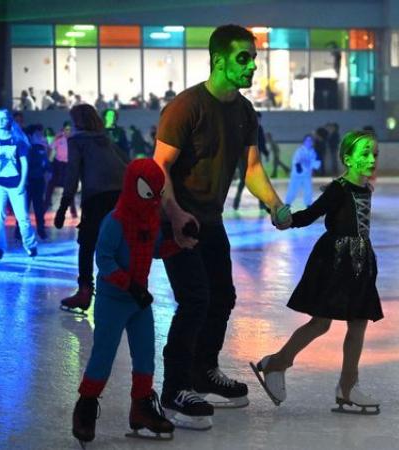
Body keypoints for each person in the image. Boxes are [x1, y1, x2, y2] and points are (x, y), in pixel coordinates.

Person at [153, 24, 292, 428]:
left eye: (254, 57)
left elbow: (250, 168)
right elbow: (158, 167)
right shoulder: (186, 107)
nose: (252, 66)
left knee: (223, 296)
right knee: (195, 299)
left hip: (210, 221)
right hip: (176, 220)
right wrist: (176, 214)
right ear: (218, 60)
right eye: (243, 58)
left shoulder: (244, 110)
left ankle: (203, 371)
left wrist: (276, 207)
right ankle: (174, 389)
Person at [250, 130, 382, 415]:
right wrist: (287, 221)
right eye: (365, 154)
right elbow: (312, 213)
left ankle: (347, 386)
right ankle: (278, 362)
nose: (372, 159)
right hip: (335, 262)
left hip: (360, 262)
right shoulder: (338, 189)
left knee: (358, 323)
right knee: (321, 323)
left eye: (375, 154)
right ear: (348, 159)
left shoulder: (365, 188)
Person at [69, 159, 178, 447]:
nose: (153, 201)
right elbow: (103, 259)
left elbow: (154, 250)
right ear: (133, 188)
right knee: (103, 355)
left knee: (145, 354)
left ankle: (141, 407)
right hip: (114, 300)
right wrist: (129, 285)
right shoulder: (115, 222)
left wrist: (180, 242)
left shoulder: (151, 219)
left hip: (138, 301)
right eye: (148, 194)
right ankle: (86, 407)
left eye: (157, 194)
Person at [56, 104, 129, 313]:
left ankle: (85, 291)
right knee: (116, 242)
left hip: (96, 197)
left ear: (77, 121)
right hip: (120, 196)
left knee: (87, 244)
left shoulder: (77, 141)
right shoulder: (105, 139)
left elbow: (72, 176)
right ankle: (120, 288)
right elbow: (127, 163)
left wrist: (63, 207)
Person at [0, 109, 37, 259]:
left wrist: (21, 184)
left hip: (15, 183)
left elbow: (24, 164)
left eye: (3, 118)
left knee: (22, 217)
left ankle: (30, 245)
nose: (0, 121)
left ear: (9, 121)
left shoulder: (18, 140)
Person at [232, 111, 269, 210]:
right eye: (257, 119)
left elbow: (262, 143)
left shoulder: (260, 129)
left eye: (260, 120)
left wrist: (266, 153)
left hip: (255, 158)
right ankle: (236, 201)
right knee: (244, 180)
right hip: (244, 159)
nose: (259, 122)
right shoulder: (245, 129)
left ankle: (261, 204)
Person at [45, 121, 78, 218]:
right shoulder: (59, 139)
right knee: (50, 186)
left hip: (68, 165)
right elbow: (51, 147)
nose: (68, 131)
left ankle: (73, 210)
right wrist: (56, 137)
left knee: (69, 188)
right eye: (66, 129)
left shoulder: (74, 140)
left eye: (69, 130)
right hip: (58, 165)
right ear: (63, 130)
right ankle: (45, 206)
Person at [285, 134, 321, 207]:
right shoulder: (299, 150)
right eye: (307, 140)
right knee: (293, 189)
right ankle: (288, 203)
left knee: (308, 190)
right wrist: (299, 167)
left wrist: (311, 165)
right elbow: (295, 160)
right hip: (297, 175)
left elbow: (316, 163)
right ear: (304, 142)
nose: (309, 142)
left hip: (307, 175)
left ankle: (308, 204)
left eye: (310, 141)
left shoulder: (313, 152)